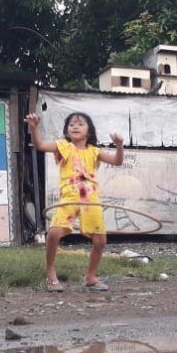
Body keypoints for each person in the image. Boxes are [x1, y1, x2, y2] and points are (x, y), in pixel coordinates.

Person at [26, 112, 124, 292]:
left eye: (80, 124)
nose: (75, 126)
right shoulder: (63, 146)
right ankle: (51, 274)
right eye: (71, 124)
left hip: (91, 200)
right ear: (66, 130)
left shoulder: (94, 151)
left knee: (100, 240)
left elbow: (117, 161)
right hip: (69, 198)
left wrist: (119, 146)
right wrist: (34, 128)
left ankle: (91, 277)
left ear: (89, 131)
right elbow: (39, 145)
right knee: (54, 233)